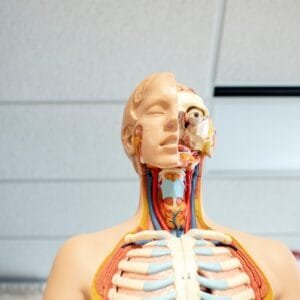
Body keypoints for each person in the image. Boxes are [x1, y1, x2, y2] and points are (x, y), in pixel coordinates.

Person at [43, 72, 300, 300]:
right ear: (130, 138)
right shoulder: (79, 258)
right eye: (158, 110)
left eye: (194, 113)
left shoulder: (276, 260)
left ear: (210, 137)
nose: (178, 121)